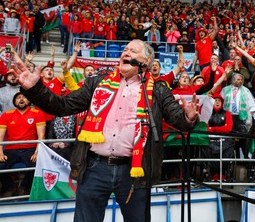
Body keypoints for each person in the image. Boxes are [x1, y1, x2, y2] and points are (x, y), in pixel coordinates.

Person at [10, 39, 199, 221]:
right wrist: (35, 89)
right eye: (125, 50)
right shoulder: (97, 83)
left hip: (134, 172)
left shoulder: (158, 89)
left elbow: (178, 118)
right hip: (94, 168)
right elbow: (62, 106)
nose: (126, 52)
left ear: (147, 61)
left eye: (133, 51)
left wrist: (189, 117)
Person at [0, 92, 46, 196]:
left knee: (37, 165)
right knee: (0, 165)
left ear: (29, 100)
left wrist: (37, 152)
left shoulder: (37, 113)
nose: (21, 99)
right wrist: (0, 153)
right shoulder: (6, 115)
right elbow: (0, 137)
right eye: (18, 98)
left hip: (30, 149)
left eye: (24, 97)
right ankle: (10, 188)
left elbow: (41, 136)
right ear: (14, 102)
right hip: (11, 149)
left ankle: (24, 188)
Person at [221, 73, 255, 160]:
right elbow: (220, 102)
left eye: (241, 80)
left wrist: (249, 118)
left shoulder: (246, 90)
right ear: (233, 80)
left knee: (243, 138)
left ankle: (244, 157)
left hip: (241, 117)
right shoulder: (225, 90)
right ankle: (230, 156)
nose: (240, 81)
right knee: (229, 138)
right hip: (229, 117)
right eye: (238, 79)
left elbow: (251, 105)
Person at [204, 93, 234, 182]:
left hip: (225, 140)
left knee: (228, 150)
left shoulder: (227, 114)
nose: (217, 102)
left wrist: (212, 128)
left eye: (219, 101)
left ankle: (223, 173)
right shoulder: (207, 113)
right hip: (211, 140)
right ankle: (214, 173)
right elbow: (205, 128)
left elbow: (228, 128)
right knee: (207, 149)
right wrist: (221, 128)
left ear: (222, 103)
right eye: (215, 100)